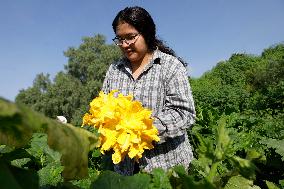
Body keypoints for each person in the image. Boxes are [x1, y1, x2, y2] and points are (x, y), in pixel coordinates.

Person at [102, 6, 196, 176]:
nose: (125, 45)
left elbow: (184, 114)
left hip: (167, 170)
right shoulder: (114, 70)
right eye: (120, 39)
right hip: (126, 171)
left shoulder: (170, 66)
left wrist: (140, 129)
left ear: (147, 33)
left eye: (130, 37)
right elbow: (104, 108)